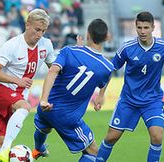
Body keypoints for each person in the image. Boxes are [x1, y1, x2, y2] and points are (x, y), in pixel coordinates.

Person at [95, 11, 164, 162]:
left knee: (157, 136)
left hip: (152, 101)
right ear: (135, 27)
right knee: (111, 137)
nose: (143, 31)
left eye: (146, 27)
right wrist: (101, 94)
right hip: (128, 100)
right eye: (139, 27)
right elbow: (111, 69)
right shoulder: (127, 48)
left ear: (153, 27)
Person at [32, 18, 114, 162]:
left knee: (43, 128)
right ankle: (39, 149)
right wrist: (101, 96)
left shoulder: (69, 51)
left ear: (87, 34)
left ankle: (38, 148)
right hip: (67, 117)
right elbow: (105, 78)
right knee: (93, 151)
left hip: (47, 108)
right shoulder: (107, 67)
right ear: (107, 37)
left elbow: (53, 71)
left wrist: (43, 100)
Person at [0, 9, 56, 162]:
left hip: (16, 96)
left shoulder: (46, 45)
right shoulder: (12, 45)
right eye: (37, 30)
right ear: (27, 25)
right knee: (25, 107)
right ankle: (6, 151)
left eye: (43, 31)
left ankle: (1, 151)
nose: (39, 35)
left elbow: (55, 70)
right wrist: (17, 80)